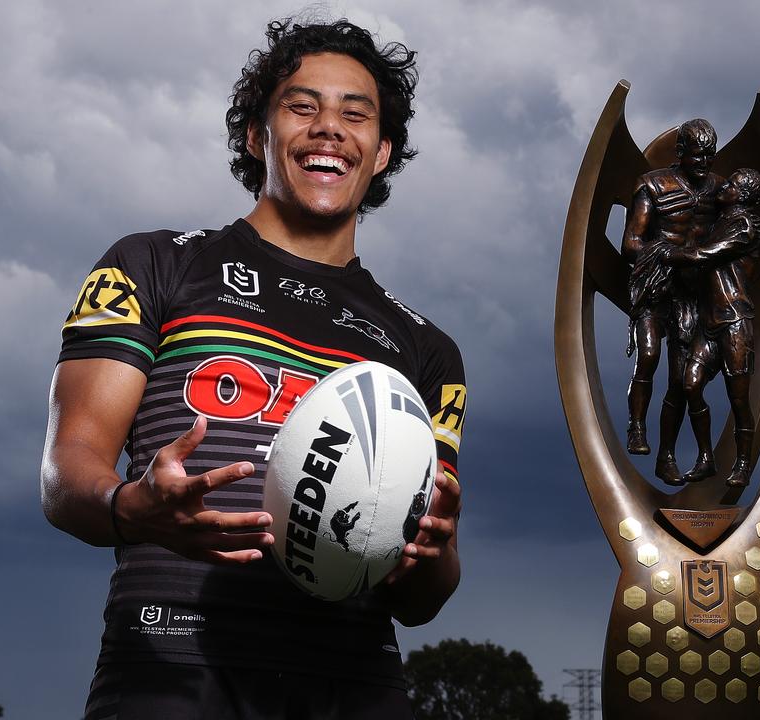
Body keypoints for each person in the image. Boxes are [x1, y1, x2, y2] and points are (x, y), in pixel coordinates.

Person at [40, 18, 467, 719]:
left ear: (382, 150)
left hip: (352, 679)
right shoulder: (153, 265)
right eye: (302, 106)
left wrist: (432, 556)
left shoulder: (425, 352)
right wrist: (131, 507)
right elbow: (66, 475)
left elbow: (421, 602)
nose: (329, 127)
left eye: (355, 114)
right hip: (174, 661)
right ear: (255, 135)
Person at [620, 118, 722, 484]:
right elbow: (631, 242)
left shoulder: (718, 189)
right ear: (680, 153)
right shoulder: (653, 184)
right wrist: (671, 255)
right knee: (648, 355)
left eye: (709, 156)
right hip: (656, 285)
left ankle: (667, 457)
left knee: (680, 380)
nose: (703, 163)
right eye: (697, 156)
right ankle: (636, 425)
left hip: (691, 294)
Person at [658, 168, 760, 487]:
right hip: (709, 323)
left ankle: (744, 464)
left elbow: (708, 254)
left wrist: (672, 254)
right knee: (690, 384)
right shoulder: (719, 222)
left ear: (744, 196)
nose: (725, 187)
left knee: (738, 399)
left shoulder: (747, 225)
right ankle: (706, 457)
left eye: (732, 185)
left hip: (735, 321)